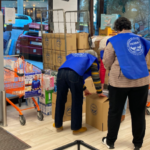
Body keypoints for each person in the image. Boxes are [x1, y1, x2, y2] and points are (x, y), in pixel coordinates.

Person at [102, 17, 150, 150]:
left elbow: (107, 61)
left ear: (117, 28)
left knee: (115, 112)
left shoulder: (113, 41)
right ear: (129, 27)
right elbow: (146, 60)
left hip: (119, 82)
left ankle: (110, 141)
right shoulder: (140, 39)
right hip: (141, 80)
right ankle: (138, 143)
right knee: (138, 113)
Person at [53, 50, 106, 135]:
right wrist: (99, 91)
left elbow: (77, 75)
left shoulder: (76, 56)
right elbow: (95, 76)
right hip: (74, 75)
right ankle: (76, 128)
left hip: (60, 73)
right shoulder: (92, 59)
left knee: (60, 99)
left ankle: (58, 124)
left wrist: (85, 89)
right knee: (77, 101)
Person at [99, 37, 128, 122]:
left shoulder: (113, 48)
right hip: (117, 76)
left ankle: (121, 114)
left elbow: (104, 67)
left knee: (121, 94)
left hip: (121, 75)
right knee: (119, 95)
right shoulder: (104, 51)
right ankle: (119, 113)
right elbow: (103, 69)